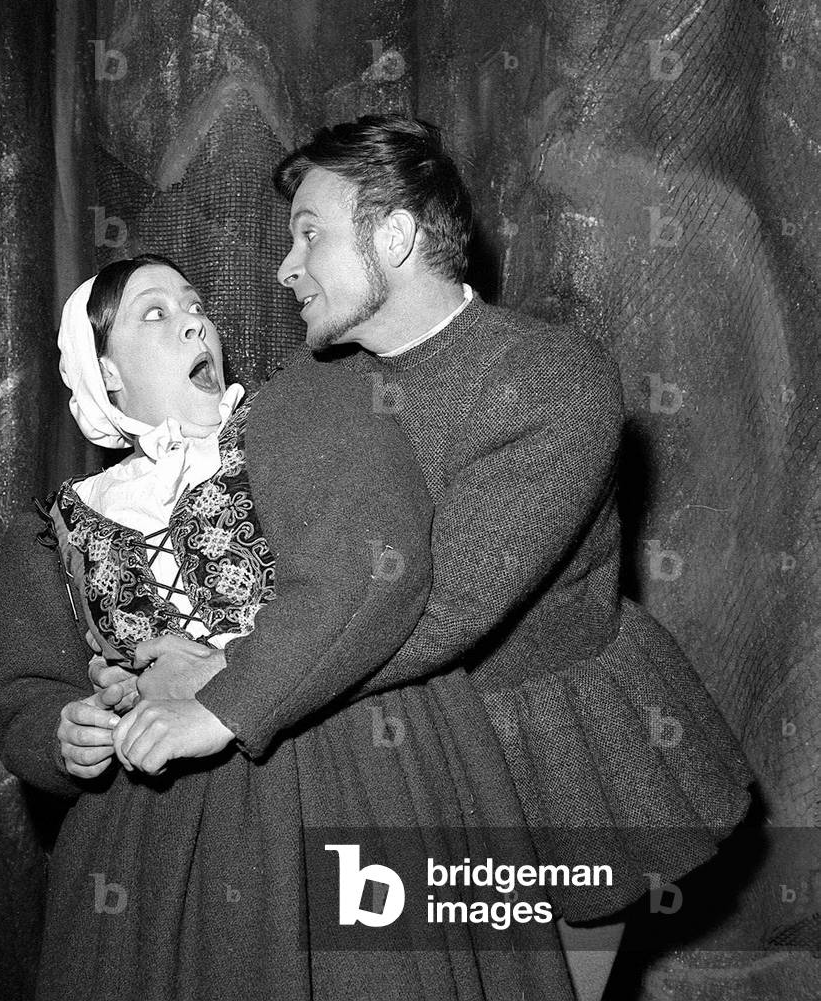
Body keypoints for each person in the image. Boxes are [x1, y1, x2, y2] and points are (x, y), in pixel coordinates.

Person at [96, 115, 755, 1000]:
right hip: (384, 757)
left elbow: (433, 603)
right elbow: (268, 569)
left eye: (309, 235)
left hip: (551, 763)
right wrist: (146, 653)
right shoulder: (304, 388)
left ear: (396, 237)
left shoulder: (554, 379)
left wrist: (221, 680)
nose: (285, 268)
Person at [0, 253, 567, 1001]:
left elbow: (367, 575)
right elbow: (25, 693)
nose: (194, 320)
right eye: (154, 314)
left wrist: (226, 680)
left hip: (339, 774)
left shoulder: (297, 419)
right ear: (106, 373)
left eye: (196, 305)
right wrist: (66, 734)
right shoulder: (56, 530)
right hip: (154, 846)